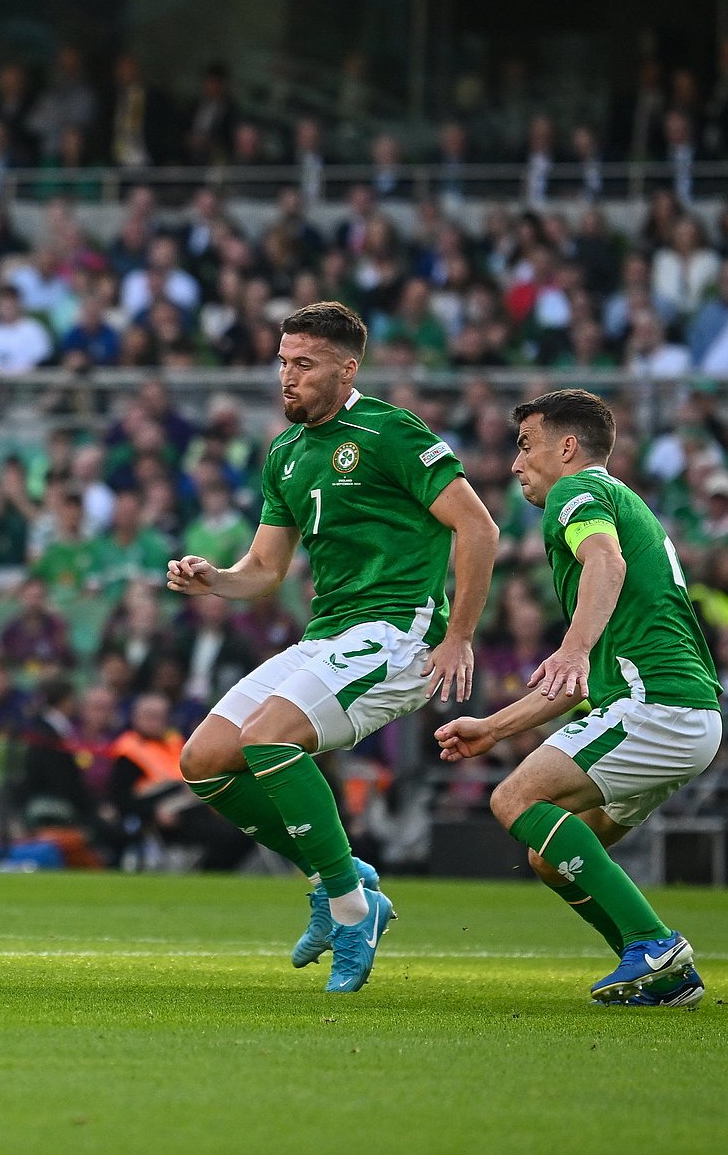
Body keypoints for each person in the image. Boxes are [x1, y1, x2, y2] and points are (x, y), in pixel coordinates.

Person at [167, 302, 498, 993]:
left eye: (304, 365)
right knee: (202, 762)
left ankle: (350, 910)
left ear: (348, 369)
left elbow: (479, 527)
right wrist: (214, 579)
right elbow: (264, 571)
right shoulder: (285, 452)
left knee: (268, 740)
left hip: (398, 633)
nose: (287, 378)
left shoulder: (388, 431)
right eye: (283, 362)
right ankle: (340, 881)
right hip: (328, 635)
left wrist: (459, 636)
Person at [437, 390, 720, 1007]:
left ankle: (653, 942)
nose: (515, 464)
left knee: (514, 798)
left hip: (656, 707)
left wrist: (570, 645)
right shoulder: (620, 502)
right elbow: (583, 680)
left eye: (526, 444)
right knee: (548, 854)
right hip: (681, 713)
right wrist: (494, 727)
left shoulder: (577, 492)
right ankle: (661, 976)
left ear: (566, 448)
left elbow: (606, 563)